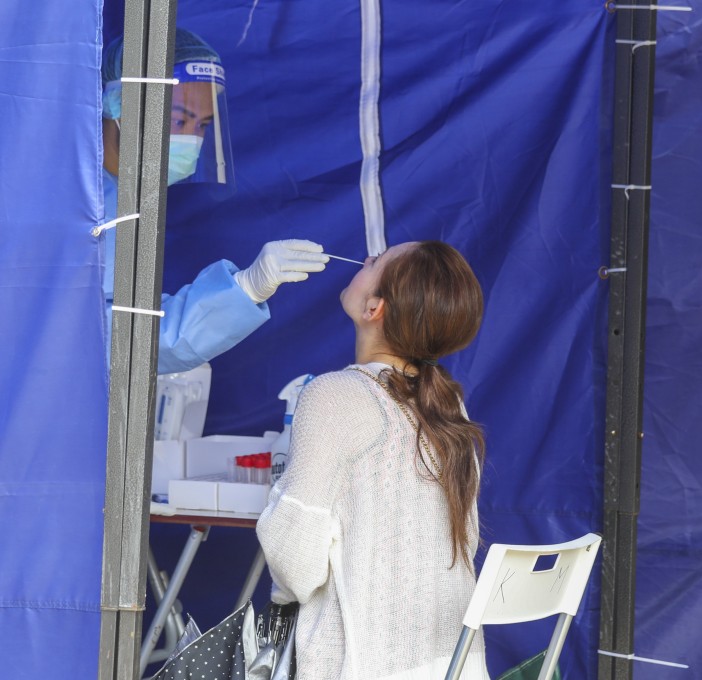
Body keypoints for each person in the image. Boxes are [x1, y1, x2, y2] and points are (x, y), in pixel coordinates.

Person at [256, 241, 490, 679]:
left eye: (375, 262)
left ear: (374, 309)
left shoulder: (334, 396)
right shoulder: (449, 408)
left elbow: (295, 567)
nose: (364, 260)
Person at [100, 29, 329, 374]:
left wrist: (245, 290)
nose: (191, 140)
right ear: (119, 105)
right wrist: (243, 290)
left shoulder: (125, 197)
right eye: (179, 120)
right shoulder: (73, 205)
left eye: (202, 125)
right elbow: (109, 341)